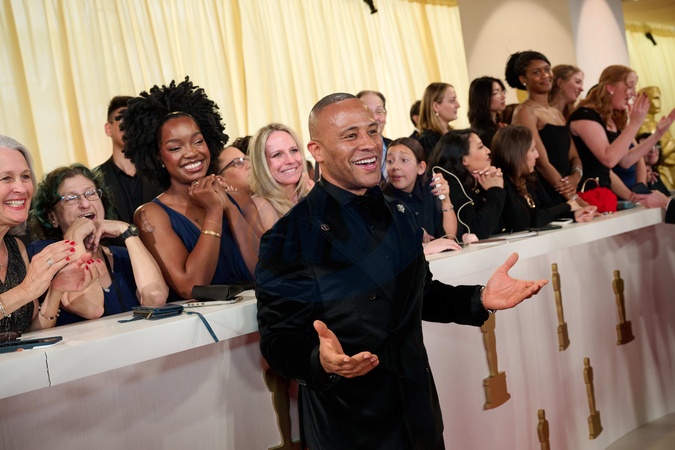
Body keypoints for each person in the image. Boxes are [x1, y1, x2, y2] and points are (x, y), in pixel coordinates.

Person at [256, 93, 548, 450]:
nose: (368, 144)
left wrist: (479, 297)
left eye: (372, 131)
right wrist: (321, 362)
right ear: (317, 151)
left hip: (419, 416)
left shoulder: (401, 214)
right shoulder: (288, 236)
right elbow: (278, 339)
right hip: (348, 427)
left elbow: (421, 293)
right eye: (350, 135)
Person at [121, 77, 258, 300]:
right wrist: (214, 211)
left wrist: (228, 206)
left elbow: (266, 271)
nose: (192, 153)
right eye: (175, 147)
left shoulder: (239, 198)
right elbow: (191, 286)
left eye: (198, 141)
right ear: (158, 156)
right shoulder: (151, 215)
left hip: (261, 316)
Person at [29, 164, 168, 326]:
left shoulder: (123, 255)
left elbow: (156, 299)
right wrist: (74, 237)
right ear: (52, 217)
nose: (85, 204)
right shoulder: (45, 254)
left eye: (91, 193)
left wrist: (127, 231)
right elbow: (91, 308)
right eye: (71, 198)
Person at [0, 136, 95, 333]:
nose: (21, 188)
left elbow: (31, 332)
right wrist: (26, 290)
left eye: (25, 176)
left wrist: (56, 290)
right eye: (6, 178)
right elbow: (26, 292)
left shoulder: (15, 247)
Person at [568, 66, 675, 201]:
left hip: (604, 192)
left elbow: (626, 160)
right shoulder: (585, 116)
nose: (633, 93)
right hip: (586, 194)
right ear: (610, 87)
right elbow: (609, 159)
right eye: (630, 86)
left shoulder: (610, 119)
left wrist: (658, 134)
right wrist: (634, 123)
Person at [506, 51, 584, 204]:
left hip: (569, 191)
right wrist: (576, 201)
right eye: (536, 72)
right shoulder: (524, 112)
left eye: (547, 69)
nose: (545, 75)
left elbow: (574, 157)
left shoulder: (557, 113)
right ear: (523, 79)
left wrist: (575, 177)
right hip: (548, 193)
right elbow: (542, 164)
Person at [490, 126, 597, 232]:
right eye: (532, 150)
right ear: (517, 154)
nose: (537, 155)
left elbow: (547, 210)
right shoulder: (502, 182)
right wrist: (567, 206)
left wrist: (574, 214)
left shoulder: (528, 178)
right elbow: (530, 220)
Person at [381, 137, 460, 254]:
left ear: (421, 167)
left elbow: (449, 238)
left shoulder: (430, 188)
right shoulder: (381, 198)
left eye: (404, 160)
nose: (395, 167)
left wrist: (446, 200)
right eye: (390, 161)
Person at [94, 96, 163, 225]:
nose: (130, 127)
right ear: (108, 129)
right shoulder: (95, 179)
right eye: (123, 120)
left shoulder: (161, 172)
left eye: (135, 121)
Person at [427, 129, 506, 241]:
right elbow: (477, 231)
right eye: (480, 147)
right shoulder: (450, 186)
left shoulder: (479, 182)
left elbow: (518, 223)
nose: (488, 151)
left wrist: (498, 182)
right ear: (464, 159)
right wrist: (496, 190)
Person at [249, 123, 314, 231]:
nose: (291, 160)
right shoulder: (260, 205)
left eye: (294, 150)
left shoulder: (311, 193)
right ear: (262, 164)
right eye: (277, 154)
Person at [637, 86, 675, 190]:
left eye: (659, 98)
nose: (659, 102)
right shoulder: (642, 126)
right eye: (655, 98)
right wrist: (671, 145)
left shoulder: (659, 123)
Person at [417, 82, 460, 158]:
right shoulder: (428, 140)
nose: (458, 105)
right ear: (436, 106)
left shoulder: (454, 134)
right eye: (452, 100)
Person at [357, 90, 392, 177]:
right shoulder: (352, 152)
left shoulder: (395, 147)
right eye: (367, 111)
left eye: (379, 111)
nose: (374, 118)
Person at [468, 76, 507, 148]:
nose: (503, 97)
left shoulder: (499, 125)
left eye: (502, 92)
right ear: (483, 98)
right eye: (496, 93)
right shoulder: (483, 134)